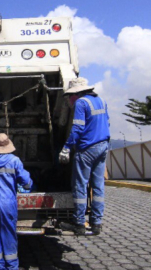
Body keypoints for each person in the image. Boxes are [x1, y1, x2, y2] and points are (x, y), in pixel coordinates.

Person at [59, 77, 110, 236]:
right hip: (103, 146)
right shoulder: (101, 100)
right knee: (97, 186)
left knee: (80, 185)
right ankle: (96, 223)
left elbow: (77, 128)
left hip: (87, 148)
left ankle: (79, 223)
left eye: (70, 96)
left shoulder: (81, 103)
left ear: (77, 93)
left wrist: (66, 148)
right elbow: (107, 122)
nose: (70, 99)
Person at [0, 133, 33, 269]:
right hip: (7, 201)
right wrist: (29, 184)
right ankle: (12, 266)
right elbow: (25, 181)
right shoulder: (14, 161)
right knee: (8, 233)